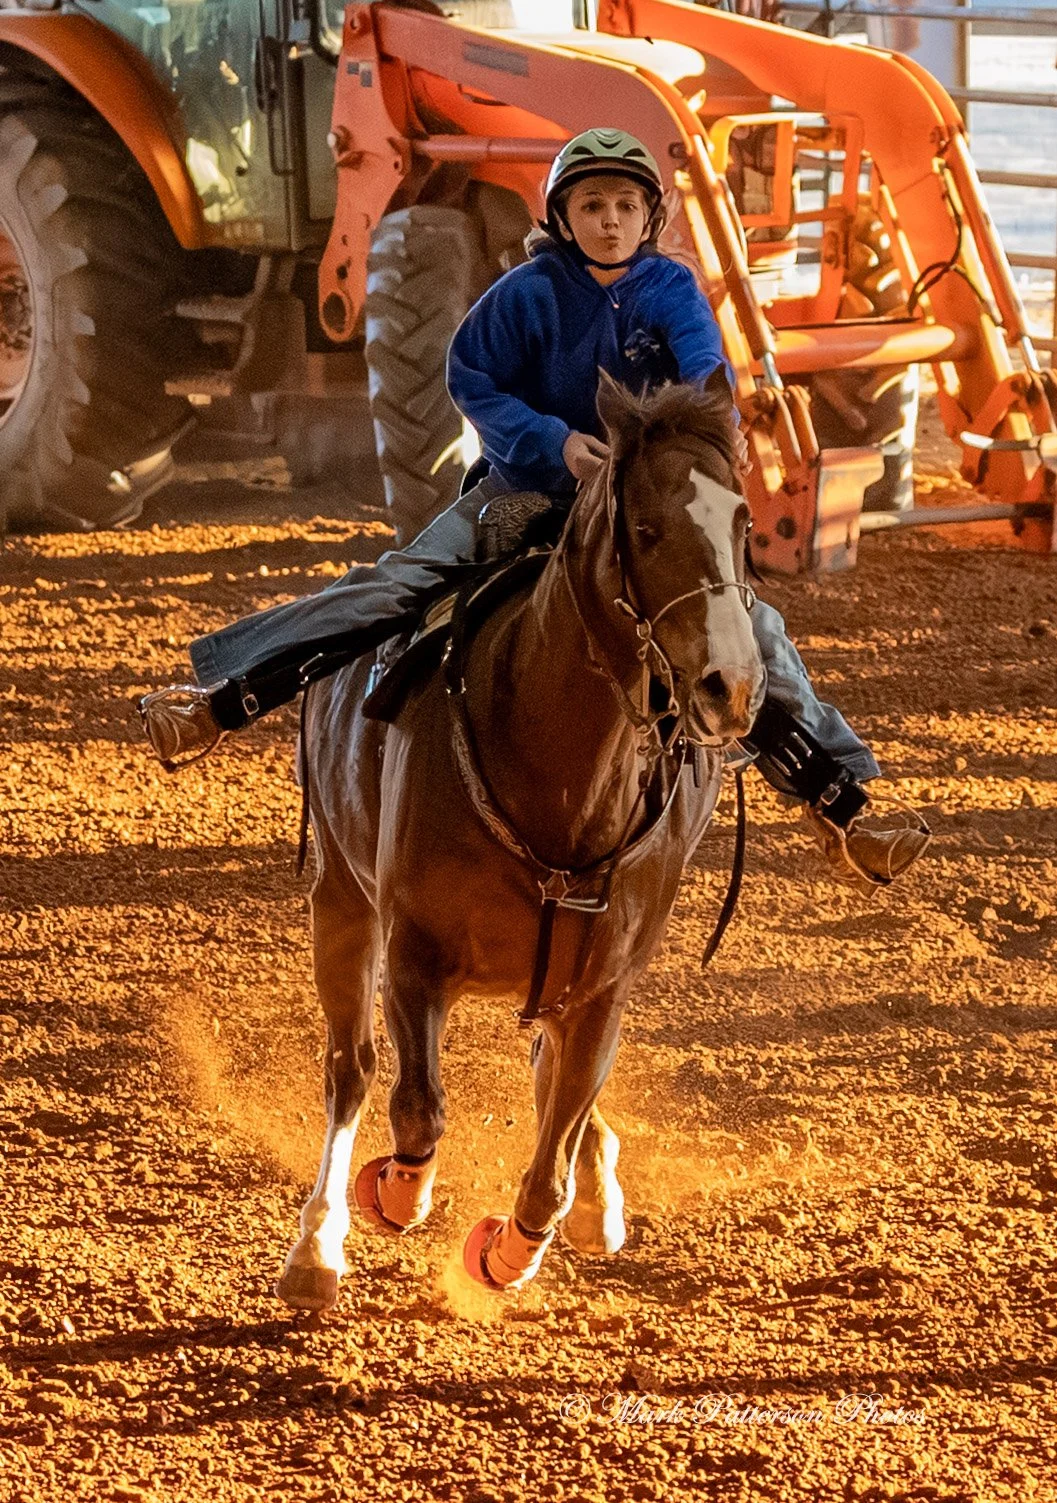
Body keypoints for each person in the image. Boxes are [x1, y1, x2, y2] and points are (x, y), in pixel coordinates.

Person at [139, 128, 930, 892]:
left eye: (624, 204)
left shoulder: (672, 289)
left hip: (635, 511)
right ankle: (219, 703)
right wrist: (556, 444)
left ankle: (844, 808)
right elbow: (470, 379)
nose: (609, 220)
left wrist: (671, 449)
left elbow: (704, 380)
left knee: (750, 629)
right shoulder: (523, 294)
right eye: (590, 206)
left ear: (649, 217)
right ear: (560, 217)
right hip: (521, 492)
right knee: (397, 583)